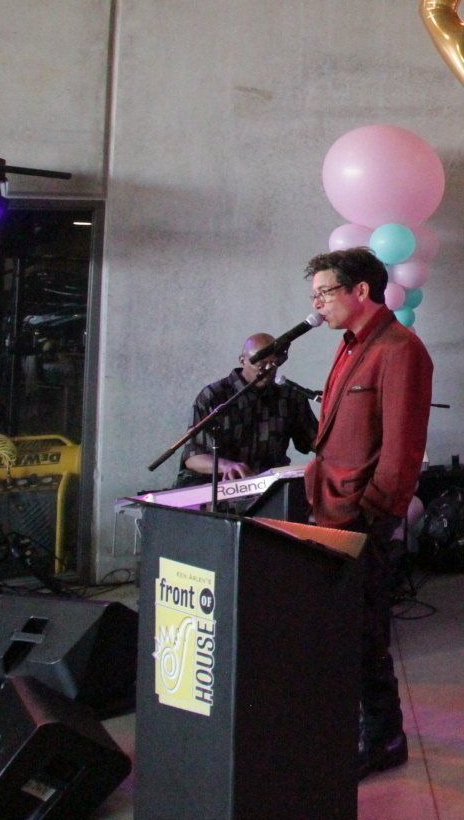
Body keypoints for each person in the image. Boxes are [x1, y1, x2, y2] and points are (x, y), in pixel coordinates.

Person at [303, 247, 434, 779]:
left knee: (366, 633)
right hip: (330, 508)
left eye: (325, 293)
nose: (317, 305)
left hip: (360, 518)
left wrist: (374, 518)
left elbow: (402, 449)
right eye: (313, 296)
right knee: (344, 631)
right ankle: (359, 726)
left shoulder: (400, 349)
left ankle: (383, 736)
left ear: (361, 291)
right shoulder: (350, 345)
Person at [179, 334, 319, 485]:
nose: (267, 370)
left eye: (273, 364)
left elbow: (316, 441)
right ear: (242, 360)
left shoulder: (290, 397)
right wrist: (228, 466)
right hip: (217, 486)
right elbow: (193, 457)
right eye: (261, 364)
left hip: (270, 489)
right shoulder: (215, 395)